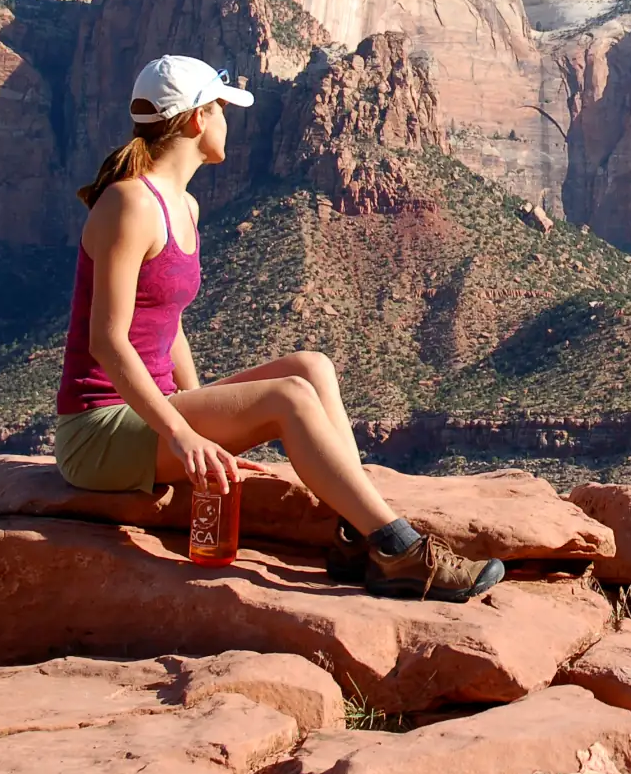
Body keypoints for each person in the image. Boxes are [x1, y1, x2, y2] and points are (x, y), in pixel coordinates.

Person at [54, 54, 503, 602]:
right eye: (222, 109)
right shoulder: (129, 203)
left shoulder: (184, 206)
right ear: (197, 119)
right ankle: (399, 551)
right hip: (97, 432)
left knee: (311, 367)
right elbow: (107, 340)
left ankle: (355, 537)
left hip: (151, 410)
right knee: (288, 396)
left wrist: (205, 416)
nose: (228, 122)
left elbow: (168, 324)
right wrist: (183, 433)